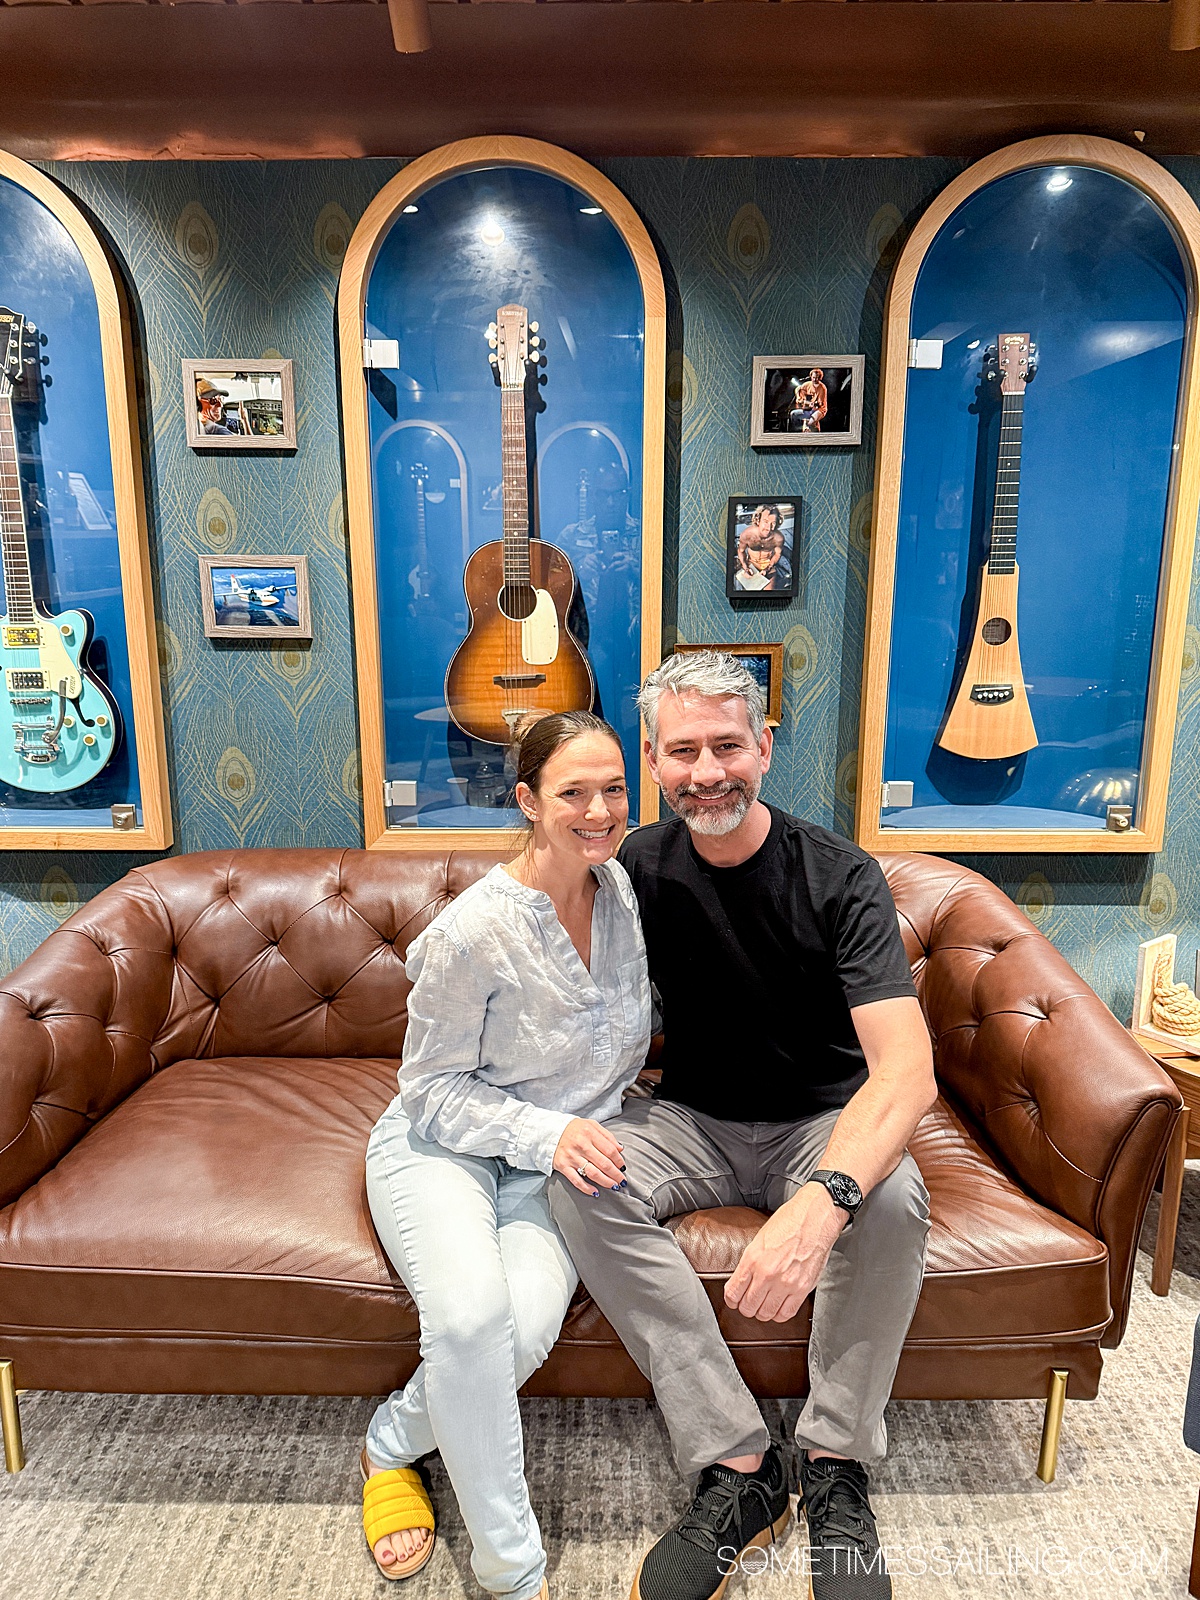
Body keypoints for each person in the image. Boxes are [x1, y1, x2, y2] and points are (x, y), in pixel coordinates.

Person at [548, 651, 936, 1600]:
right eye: (683, 751)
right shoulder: (630, 868)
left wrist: (827, 1198)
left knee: (892, 1204)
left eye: (728, 745)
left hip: (823, 1117)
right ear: (652, 761)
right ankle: (739, 1464)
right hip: (690, 1114)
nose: (708, 772)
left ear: (764, 746)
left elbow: (908, 1072)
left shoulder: (841, 878)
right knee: (577, 1180)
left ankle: (836, 1463)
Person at [361, 710, 651, 1599]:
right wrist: (547, 1133)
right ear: (527, 800)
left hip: (556, 1166)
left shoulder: (625, 890)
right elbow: (431, 1091)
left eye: (614, 789)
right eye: (574, 792)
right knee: (466, 1325)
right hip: (443, 1146)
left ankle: (391, 1441)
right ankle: (514, 1573)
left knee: (515, 1333)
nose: (600, 811)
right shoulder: (472, 930)